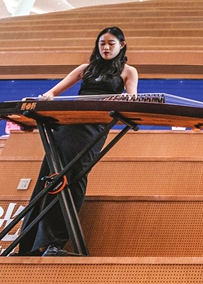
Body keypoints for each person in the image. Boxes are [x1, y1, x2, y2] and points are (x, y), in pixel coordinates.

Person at [19, 26, 138, 257]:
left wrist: (123, 98)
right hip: (67, 126)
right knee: (51, 177)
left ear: (121, 45)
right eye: (101, 43)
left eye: (111, 43)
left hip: (94, 130)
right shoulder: (85, 69)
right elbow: (51, 93)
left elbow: (132, 98)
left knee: (72, 178)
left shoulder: (128, 71)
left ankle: (54, 244)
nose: (105, 47)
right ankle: (30, 244)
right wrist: (41, 99)